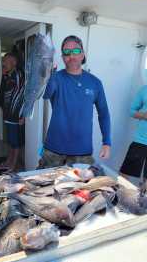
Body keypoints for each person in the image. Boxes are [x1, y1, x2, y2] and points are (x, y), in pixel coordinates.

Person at [38, 35, 111, 168]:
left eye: (76, 51)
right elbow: (46, 94)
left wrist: (107, 142)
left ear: (82, 55)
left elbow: (104, 113)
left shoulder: (95, 82)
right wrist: (48, 75)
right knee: (46, 186)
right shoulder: (56, 78)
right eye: (66, 52)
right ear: (62, 57)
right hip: (53, 149)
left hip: (82, 151)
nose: (71, 55)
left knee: (82, 188)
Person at [120, 58, 147, 195]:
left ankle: (142, 206)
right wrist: (145, 115)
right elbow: (132, 111)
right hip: (140, 141)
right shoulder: (146, 89)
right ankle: (119, 200)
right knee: (123, 176)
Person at [0, 53, 25, 172]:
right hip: (8, 114)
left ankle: (13, 165)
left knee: (15, 142)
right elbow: (3, 92)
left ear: (14, 62)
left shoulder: (19, 75)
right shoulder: (8, 75)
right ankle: (9, 161)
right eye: (3, 61)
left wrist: (23, 115)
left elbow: (23, 96)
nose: (4, 63)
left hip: (15, 115)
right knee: (10, 141)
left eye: (6, 61)